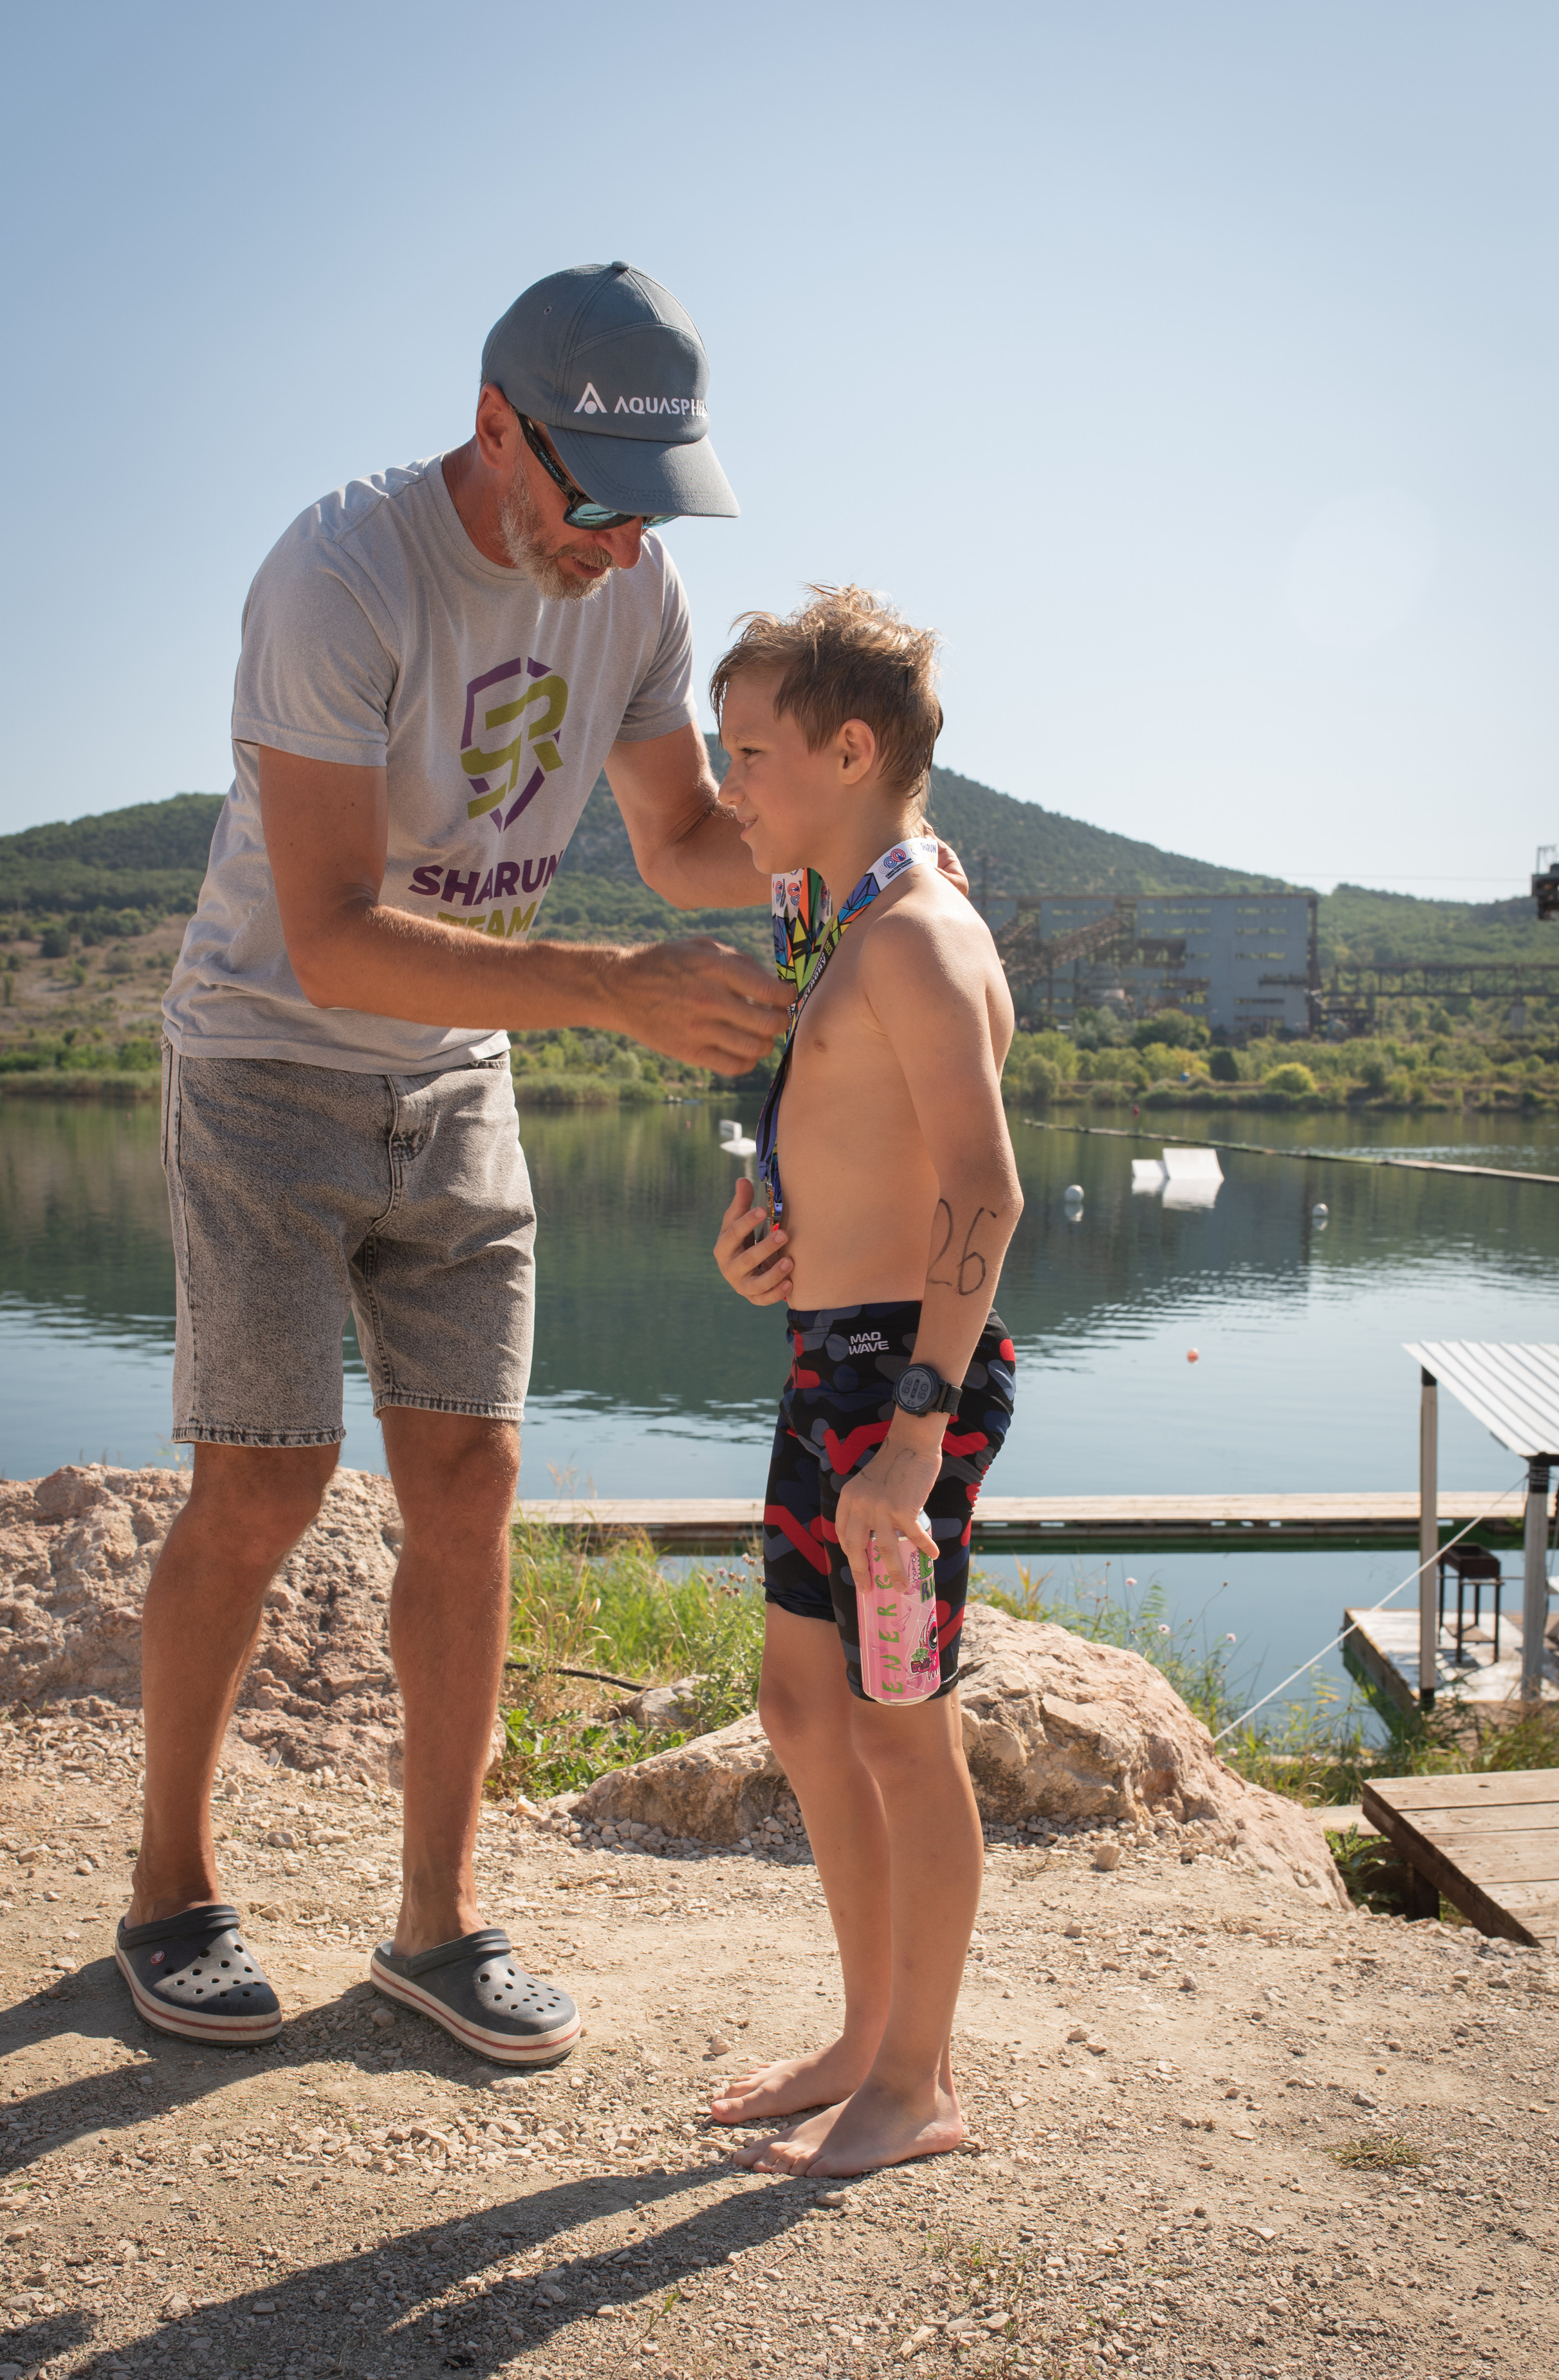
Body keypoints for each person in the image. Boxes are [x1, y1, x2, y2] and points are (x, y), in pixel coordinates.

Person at [117, 261, 797, 2064]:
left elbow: (682, 839)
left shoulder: (633, 587)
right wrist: (607, 994)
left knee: (473, 1489)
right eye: (596, 497)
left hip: (457, 1077)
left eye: (661, 503)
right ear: (498, 428)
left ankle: (440, 1926)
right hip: (269, 1059)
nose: (626, 540)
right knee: (259, 1493)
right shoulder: (339, 573)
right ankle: (170, 1894)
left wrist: (857, 853)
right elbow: (334, 935)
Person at [708, 587, 1023, 2175]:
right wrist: (761, 1243)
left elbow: (985, 1184)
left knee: (902, 1731)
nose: (727, 784)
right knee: (800, 1706)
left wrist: (911, 1436)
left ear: (845, 747)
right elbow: (859, 1155)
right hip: (825, 1359)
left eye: (748, 750)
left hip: (899, 1386)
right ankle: (860, 2034)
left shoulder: (915, 934)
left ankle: (919, 2080)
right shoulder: (848, 921)